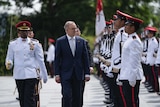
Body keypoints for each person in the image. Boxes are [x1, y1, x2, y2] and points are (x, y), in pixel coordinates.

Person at [5, 20, 48, 107]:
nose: (24, 33)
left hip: (31, 74)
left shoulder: (34, 44)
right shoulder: (13, 44)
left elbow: (40, 60)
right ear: (18, 32)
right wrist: (9, 63)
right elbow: (9, 57)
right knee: (22, 98)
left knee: (30, 98)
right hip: (19, 74)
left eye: (26, 31)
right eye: (22, 31)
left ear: (28, 31)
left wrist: (44, 74)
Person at [54, 21, 90, 107]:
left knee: (77, 96)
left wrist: (87, 73)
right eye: (72, 29)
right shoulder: (60, 41)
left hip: (78, 73)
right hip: (65, 73)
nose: (75, 30)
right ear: (66, 30)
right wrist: (57, 74)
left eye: (75, 28)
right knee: (67, 95)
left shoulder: (81, 41)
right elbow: (57, 58)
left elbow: (85, 58)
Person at [118, 16, 144, 107]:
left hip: (131, 77)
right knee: (127, 102)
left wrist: (132, 79)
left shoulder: (134, 41)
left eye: (127, 25)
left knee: (132, 102)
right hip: (126, 75)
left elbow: (134, 62)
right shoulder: (129, 39)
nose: (125, 27)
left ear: (133, 27)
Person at [75, 27, 94, 107]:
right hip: (69, 71)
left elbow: (89, 55)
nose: (76, 32)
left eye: (77, 31)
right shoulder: (65, 42)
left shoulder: (83, 42)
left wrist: (90, 66)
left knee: (80, 91)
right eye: (74, 31)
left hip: (80, 70)